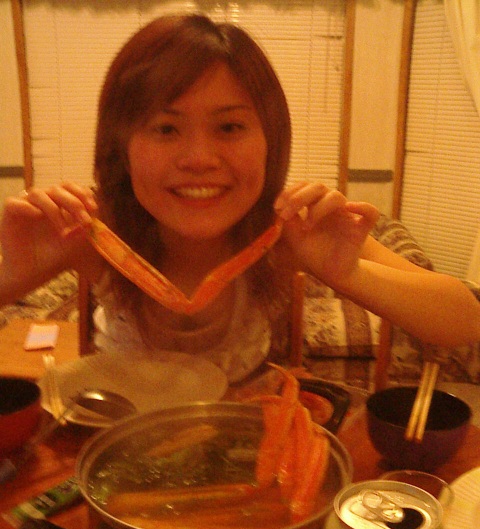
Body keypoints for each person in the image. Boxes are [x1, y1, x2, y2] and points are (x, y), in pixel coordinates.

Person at [1, 13, 479, 383]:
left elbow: (465, 320)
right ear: (120, 149)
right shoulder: (94, 231)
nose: (199, 158)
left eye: (229, 127)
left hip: (241, 434)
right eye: (165, 129)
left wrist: (349, 273)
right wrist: (13, 274)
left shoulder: (286, 230)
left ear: (271, 140)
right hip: (120, 430)